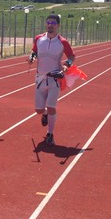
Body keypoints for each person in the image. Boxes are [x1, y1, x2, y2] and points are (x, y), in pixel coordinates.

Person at [27, 14, 75, 145]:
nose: (50, 25)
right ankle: (45, 114)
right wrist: (32, 57)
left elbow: (71, 56)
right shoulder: (38, 39)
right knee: (39, 110)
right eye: (48, 22)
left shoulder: (62, 42)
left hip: (55, 79)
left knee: (51, 106)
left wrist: (66, 65)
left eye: (53, 23)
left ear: (58, 25)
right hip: (40, 79)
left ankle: (50, 134)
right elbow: (34, 51)